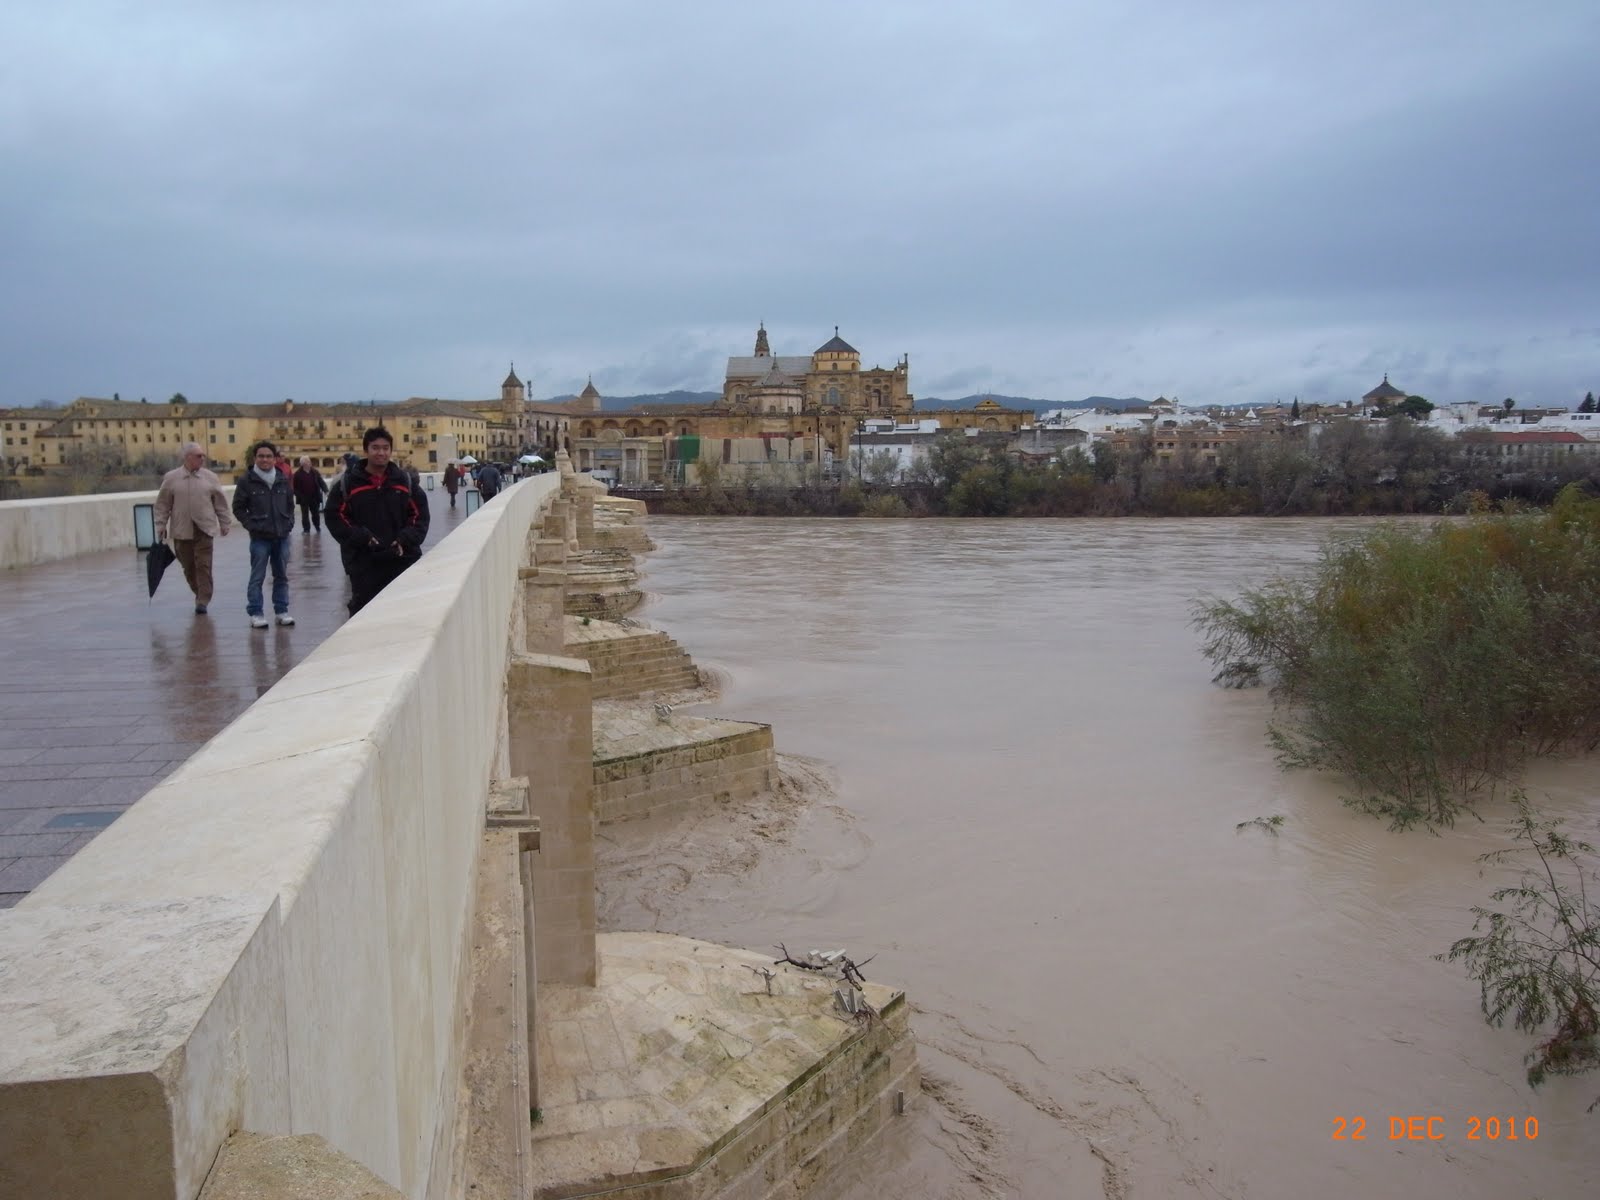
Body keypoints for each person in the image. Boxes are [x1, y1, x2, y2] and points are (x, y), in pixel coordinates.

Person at [325, 426, 431, 615]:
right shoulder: (348, 484)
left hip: (402, 561)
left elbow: (420, 516)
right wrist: (361, 537)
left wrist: (405, 539)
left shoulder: (404, 482)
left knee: (405, 615)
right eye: (375, 448)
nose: (381, 453)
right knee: (365, 616)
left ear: (390, 450)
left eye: (385, 448)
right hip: (364, 564)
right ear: (366, 450)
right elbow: (335, 517)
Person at [153, 442, 232, 615]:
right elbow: (163, 504)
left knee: (203, 565)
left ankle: (203, 600)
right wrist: (160, 524)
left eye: (203, 455)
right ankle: (199, 592)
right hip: (182, 530)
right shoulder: (171, 478)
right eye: (198, 456)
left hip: (204, 529)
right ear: (187, 457)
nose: (202, 458)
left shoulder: (210, 477)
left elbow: (220, 502)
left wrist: (225, 522)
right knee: (188, 567)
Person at [232, 440, 297, 628]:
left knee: (281, 575)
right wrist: (251, 525)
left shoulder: (282, 478)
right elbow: (238, 507)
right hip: (260, 537)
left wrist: (289, 523)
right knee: (257, 576)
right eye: (261, 456)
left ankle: (282, 611)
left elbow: (290, 504)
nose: (265, 460)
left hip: (282, 536)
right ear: (255, 458)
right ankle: (256, 612)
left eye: (269, 456)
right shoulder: (246, 480)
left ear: (275, 459)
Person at [292, 456, 328, 532]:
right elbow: (294, 488)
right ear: (303, 464)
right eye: (307, 461)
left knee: (316, 513)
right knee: (305, 515)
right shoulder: (297, 474)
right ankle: (306, 529)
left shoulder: (315, 472)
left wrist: (326, 491)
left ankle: (317, 526)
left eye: (309, 461)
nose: (310, 463)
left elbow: (321, 482)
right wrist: (299, 496)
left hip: (314, 497)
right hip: (303, 498)